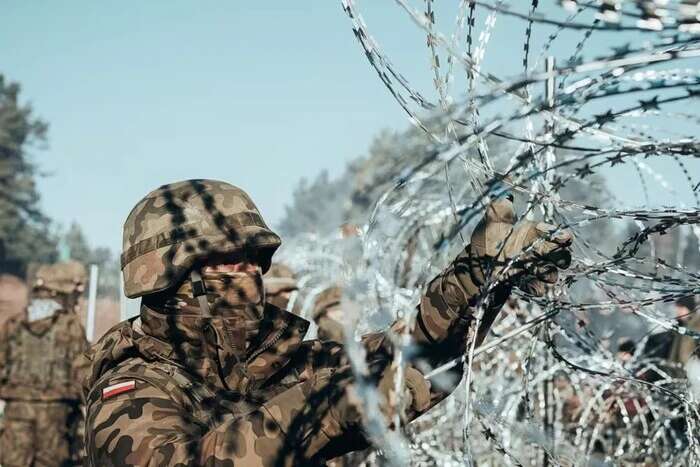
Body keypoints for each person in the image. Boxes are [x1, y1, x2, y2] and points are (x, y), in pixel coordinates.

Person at [81, 179, 572, 466]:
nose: (251, 271)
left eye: (256, 258)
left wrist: (479, 278)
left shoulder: (289, 364)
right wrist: (328, 405)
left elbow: (415, 355)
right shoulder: (132, 388)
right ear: (172, 276)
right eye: (232, 261)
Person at [0, 261, 89, 467]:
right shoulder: (71, 326)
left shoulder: (14, 324)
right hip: (57, 415)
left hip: (17, 411)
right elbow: (84, 374)